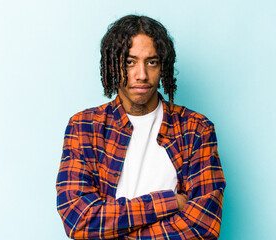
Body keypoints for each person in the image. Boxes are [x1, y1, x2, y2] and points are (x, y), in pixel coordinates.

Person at [56, 15, 226, 239]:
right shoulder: (84, 128)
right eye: (130, 62)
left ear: (163, 66)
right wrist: (169, 202)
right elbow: (79, 220)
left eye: (152, 62)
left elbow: (203, 226)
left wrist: (113, 230)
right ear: (111, 65)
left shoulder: (196, 129)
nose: (142, 75)